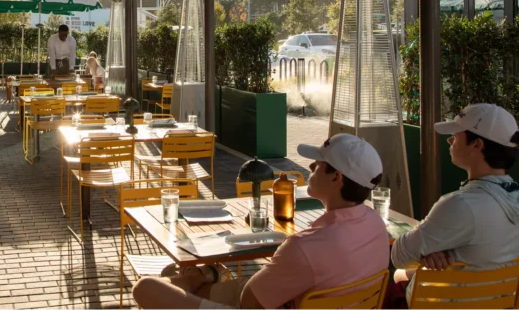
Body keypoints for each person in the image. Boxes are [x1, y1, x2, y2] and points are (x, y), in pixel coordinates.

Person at [132, 133, 388, 310]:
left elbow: (249, 301)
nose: (310, 166)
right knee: (181, 285)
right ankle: (201, 276)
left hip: (258, 304)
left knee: (146, 287)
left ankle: (198, 276)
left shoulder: (304, 247)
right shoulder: (377, 227)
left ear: (336, 178)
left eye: (318, 164)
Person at [388, 103, 519, 307]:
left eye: (456, 135)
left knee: (395, 277)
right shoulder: (512, 198)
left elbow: (399, 255)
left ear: (477, 145)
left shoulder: (461, 205)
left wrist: (428, 249)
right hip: (496, 303)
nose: (449, 140)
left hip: (444, 304)